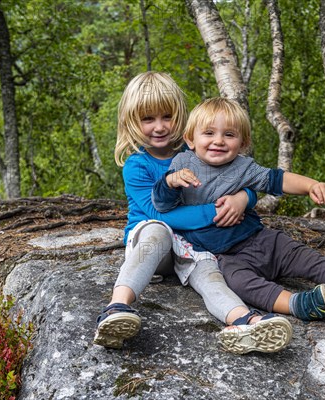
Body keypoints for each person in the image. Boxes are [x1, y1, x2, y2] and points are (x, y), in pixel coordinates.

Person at [152, 97, 325, 322]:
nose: (218, 141)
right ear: (190, 139)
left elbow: (278, 180)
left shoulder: (244, 168)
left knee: (308, 259)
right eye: (208, 133)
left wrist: (311, 185)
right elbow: (162, 205)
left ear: (243, 142)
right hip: (224, 256)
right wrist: (169, 182)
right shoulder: (182, 164)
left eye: (229, 135)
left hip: (262, 240)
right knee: (241, 284)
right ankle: (299, 305)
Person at [94, 72, 292, 355]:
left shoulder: (198, 149)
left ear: (181, 117)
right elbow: (158, 214)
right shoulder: (137, 165)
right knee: (157, 232)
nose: (160, 127)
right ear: (131, 122)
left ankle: (246, 322)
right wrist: (215, 212)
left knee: (210, 273)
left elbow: (236, 177)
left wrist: (243, 198)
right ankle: (116, 307)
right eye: (148, 119)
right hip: (155, 246)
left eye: (167, 116)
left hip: (194, 244)